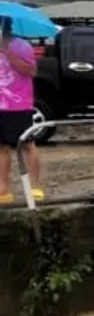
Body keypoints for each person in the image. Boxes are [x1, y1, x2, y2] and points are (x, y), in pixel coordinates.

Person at [0, 16, 43, 205]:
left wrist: (8, 55)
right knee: (1, 147)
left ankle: (35, 186)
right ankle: (3, 188)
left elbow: (31, 72)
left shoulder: (21, 45)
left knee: (27, 144)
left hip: (18, 104)